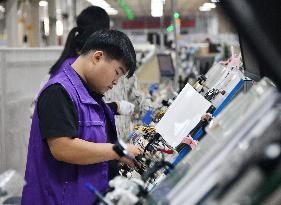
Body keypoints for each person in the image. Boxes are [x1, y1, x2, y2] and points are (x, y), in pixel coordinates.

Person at [22, 30, 143, 205]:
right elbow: (63, 148)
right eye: (117, 72)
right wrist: (117, 151)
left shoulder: (89, 94)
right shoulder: (58, 91)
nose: (116, 81)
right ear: (98, 57)